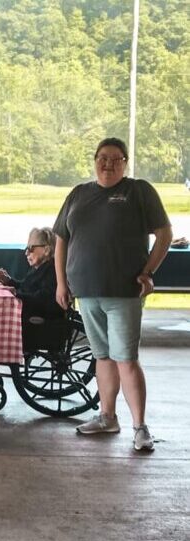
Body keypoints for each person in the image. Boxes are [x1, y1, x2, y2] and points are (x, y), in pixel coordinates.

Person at [53, 137, 172, 452]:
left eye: (115, 159)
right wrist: (61, 283)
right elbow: (61, 239)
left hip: (123, 292)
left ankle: (140, 427)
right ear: (94, 160)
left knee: (126, 359)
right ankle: (107, 417)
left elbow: (165, 234)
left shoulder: (138, 191)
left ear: (125, 162)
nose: (108, 163)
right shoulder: (79, 193)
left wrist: (148, 271)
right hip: (86, 291)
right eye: (102, 158)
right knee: (102, 356)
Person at [0, 226, 63, 320]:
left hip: (39, 320)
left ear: (46, 250)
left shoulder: (52, 271)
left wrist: (15, 293)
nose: (26, 253)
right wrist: (8, 280)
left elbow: (41, 299)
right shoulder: (39, 268)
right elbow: (26, 287)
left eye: (30, 248)